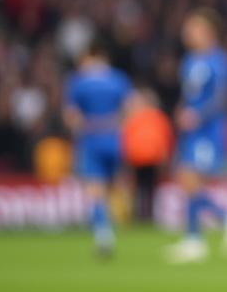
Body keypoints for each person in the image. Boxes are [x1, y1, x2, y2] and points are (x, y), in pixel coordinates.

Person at [164, 8, 227, 262]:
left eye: (193, 28)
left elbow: (220, 98)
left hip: (209, 130)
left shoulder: (218, 61)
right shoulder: (190, 61)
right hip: (193, 130)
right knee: (187, 178)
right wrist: (184, 110)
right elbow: (192, 95)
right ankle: (195, 239)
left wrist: (197, 115)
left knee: (190, 178)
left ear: (208, 32)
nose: (187, 33)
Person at [62, 41, 133, 256]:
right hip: (114, 138)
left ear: (88, 57)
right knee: (112, 186)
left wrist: (82, 128)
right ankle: (115, 222)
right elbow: (130, 108)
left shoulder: (78, 82)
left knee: (95, 189)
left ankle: (103, 233)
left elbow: (71, 116)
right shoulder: (119, 79)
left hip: (91, 139)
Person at [122, 88, 175, 222]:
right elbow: (165, 137)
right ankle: (145, 216)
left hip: (141, 158)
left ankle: (140, 216)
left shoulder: (136, 117)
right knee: (147, 189)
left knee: (141, 188)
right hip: (147, 158)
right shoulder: (157, 117)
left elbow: (127, 137)